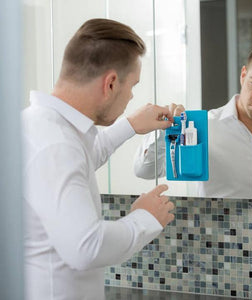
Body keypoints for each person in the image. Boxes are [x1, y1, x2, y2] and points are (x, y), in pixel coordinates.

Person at [22, 18, 176, 300]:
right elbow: (86, 247)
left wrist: (130, 124)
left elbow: (84, 157)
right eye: (132, 86)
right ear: (111, 83)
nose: (131, 95)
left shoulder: (44, 126)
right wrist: (145, 217)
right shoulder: (57, 144)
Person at [134, 40, 252, 200]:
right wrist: (164, 131)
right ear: (243, 75)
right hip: (217, 228)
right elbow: (145, 171)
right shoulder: (203, 127)